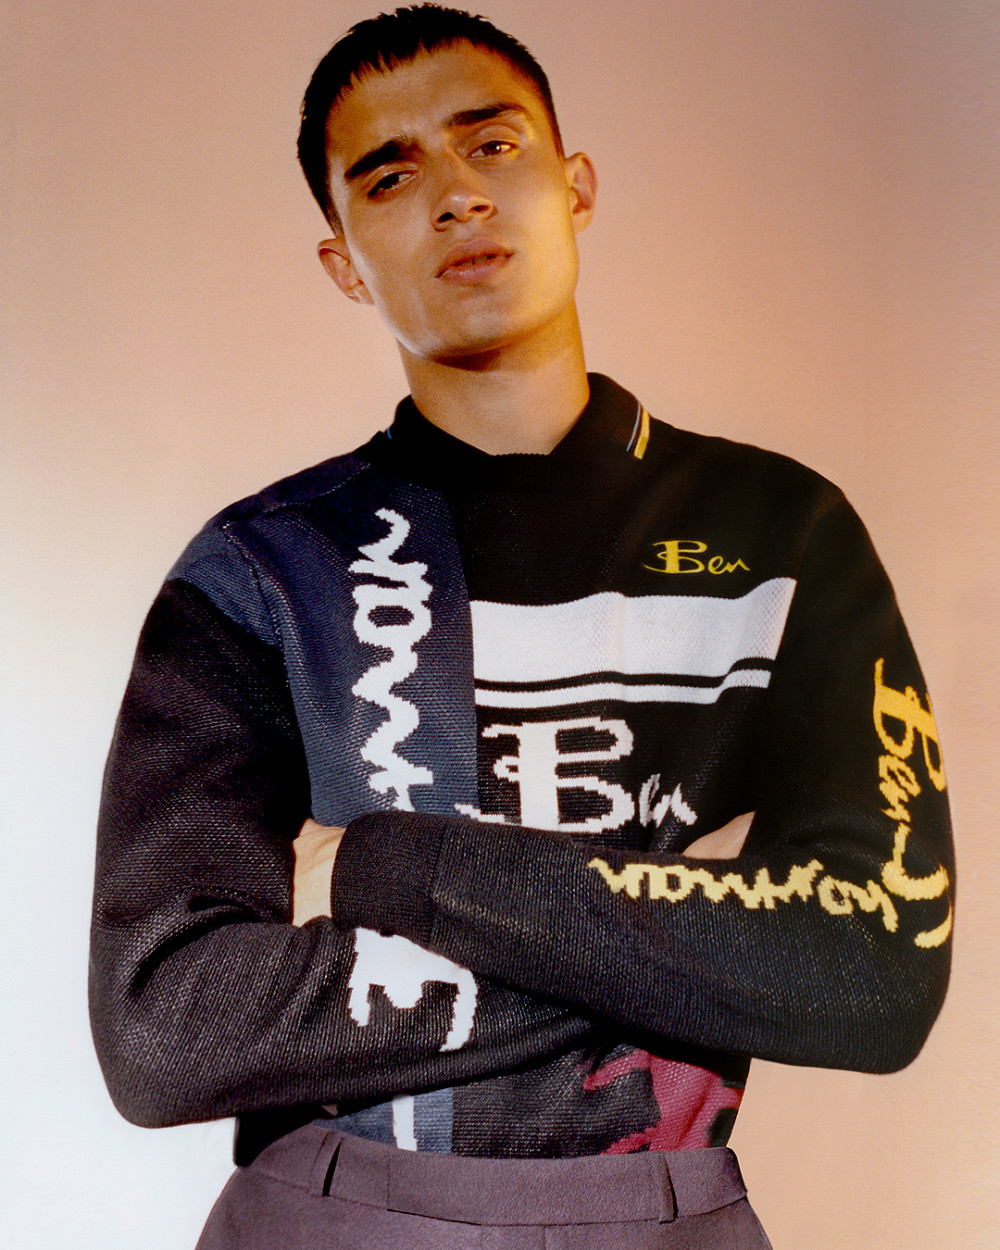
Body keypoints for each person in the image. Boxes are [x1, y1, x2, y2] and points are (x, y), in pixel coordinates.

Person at [89, 6, 954, 1247]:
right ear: (343, 259)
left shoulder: (784, 534)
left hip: (662, 1217)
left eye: (492, 145)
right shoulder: (260, 569)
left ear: (574, 185)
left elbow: (871, 970)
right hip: (328, 1214)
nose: (456, 196)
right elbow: (167, 1027)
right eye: (390, 176)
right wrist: (697, 941)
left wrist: (399, 871)